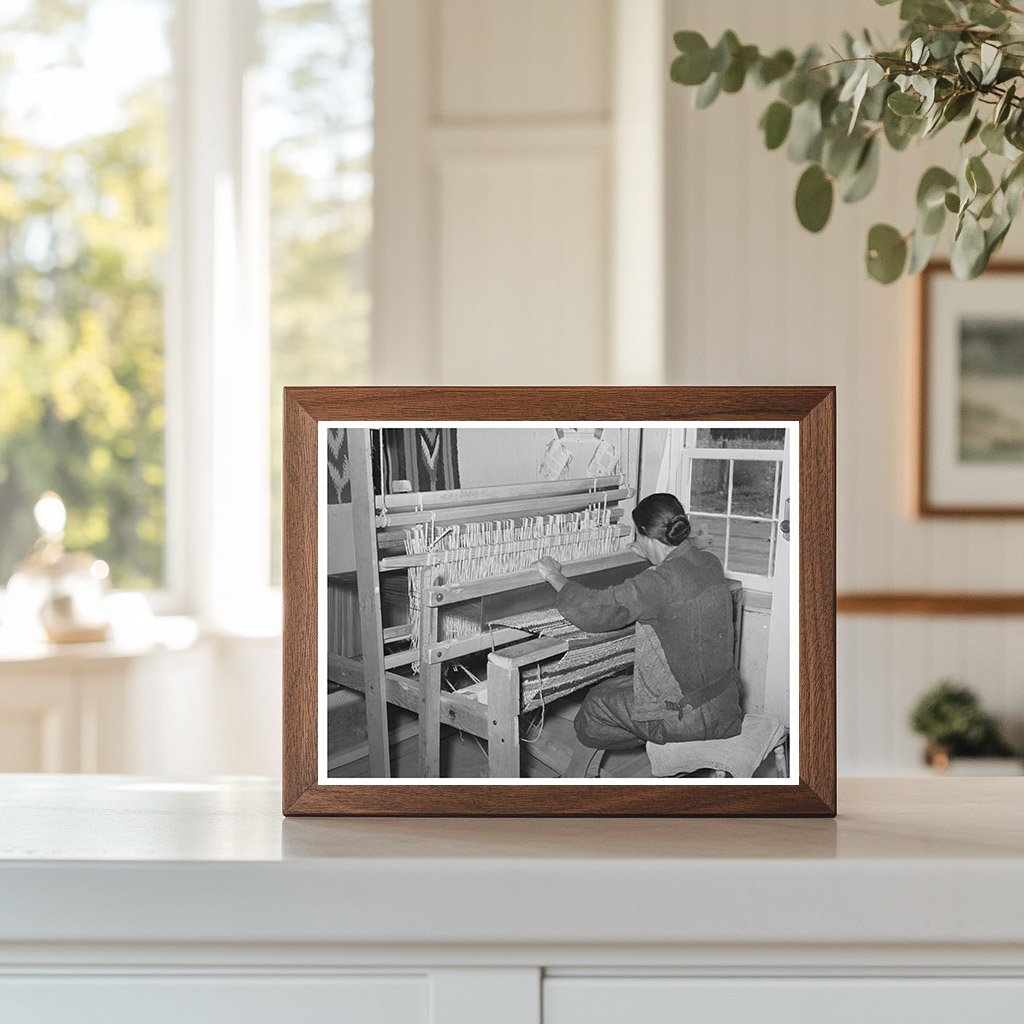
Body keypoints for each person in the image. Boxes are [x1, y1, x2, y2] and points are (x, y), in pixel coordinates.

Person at [536, 493, 743, 777]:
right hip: (725, 705)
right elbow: (677, 580)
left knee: (596, 704)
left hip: (688, 718)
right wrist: (650, 553)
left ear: (646, 535)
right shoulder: (709, 562)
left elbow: (597, 609)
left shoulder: (657, 583)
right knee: (615, 692)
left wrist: (554, 575)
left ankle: (576, 779)